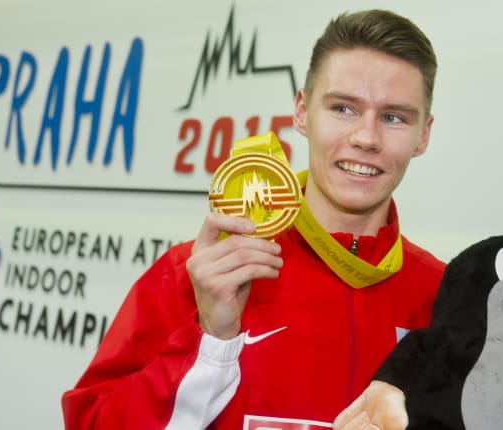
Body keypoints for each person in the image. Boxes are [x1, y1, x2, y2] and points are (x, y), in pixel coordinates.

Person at [62, 8, 445, 430]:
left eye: (393, 117)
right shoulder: (201, 273)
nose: (366, 138)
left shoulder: (445, 298)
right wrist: (210, 341)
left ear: (423, 135)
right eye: (343, 109)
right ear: (301, 113)